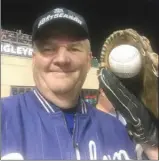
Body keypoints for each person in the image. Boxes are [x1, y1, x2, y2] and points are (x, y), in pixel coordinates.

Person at [1, 7, 138, 160]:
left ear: (88, 60)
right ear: (34, 60)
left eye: (74, 48)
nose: (62, 59)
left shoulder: (116, 129)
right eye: (48, 49)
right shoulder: (4, 117)